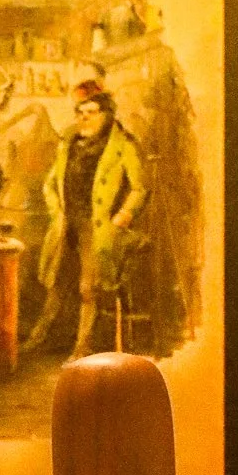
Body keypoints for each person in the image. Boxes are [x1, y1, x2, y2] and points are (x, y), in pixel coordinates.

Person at [25, 66, 148, 359]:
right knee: (56, 281)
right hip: (68, 222)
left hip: (98, 226)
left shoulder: (122, 145)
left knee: (88, 288)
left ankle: (82, 346)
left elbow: (140, 189)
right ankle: (38, 337)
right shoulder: (68, 144)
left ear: (106, 114)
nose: (83, 118)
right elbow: (49, 184)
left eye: (91, 112)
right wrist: (57, 212)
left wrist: (123, 217)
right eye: (80, 112)